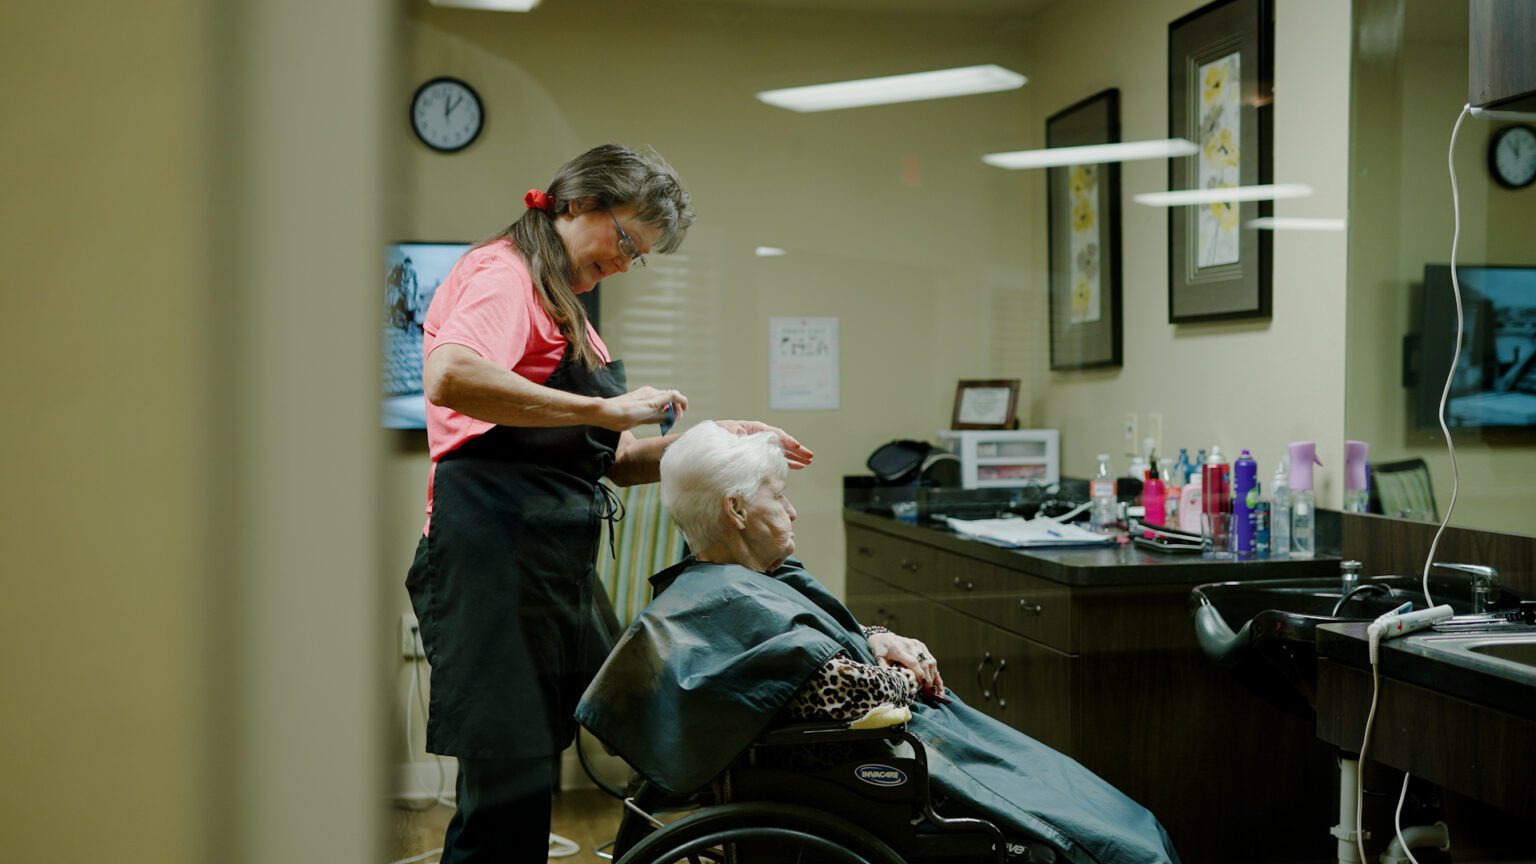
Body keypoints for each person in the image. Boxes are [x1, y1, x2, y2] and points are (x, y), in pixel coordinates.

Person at [404, 145, 813, 864]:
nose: (625, 262)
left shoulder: (567, 306)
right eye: (625, 239)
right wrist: (611, 405)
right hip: (492, 563)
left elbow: (613, 459)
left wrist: (726, 439)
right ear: (578, 202)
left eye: (639, 256)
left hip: (549, 562)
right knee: (509, 791)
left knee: (589, 746)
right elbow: (451, 376)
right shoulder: (504, 277)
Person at [577, 421, 1181, 864]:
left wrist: (879, 636)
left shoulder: (732, 584)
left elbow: (803, 642)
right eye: (777, 495)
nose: (791, 510)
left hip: (898, 747)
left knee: (1106, 812)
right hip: (884, 764)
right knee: (1114, 841)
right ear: (735, 509)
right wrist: (905, 670)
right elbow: (837, 687)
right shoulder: (731, 597)